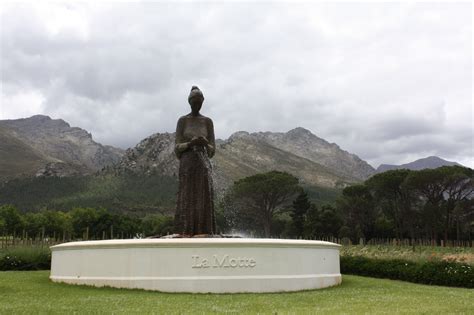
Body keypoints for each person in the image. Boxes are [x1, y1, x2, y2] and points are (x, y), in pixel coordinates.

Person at [174, 86, 216, 236]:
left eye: (199, 102)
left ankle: (204, 230)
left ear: (203, 102)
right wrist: (191, 144)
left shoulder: (208, 122)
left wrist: (205, 143)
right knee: (187, 196)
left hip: (203, 163)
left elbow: (213, 150)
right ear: (189, 102)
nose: (197, 105)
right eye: (194, 102)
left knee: (203, 195)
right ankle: (185, 231)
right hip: (187, 163)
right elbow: (177, 148)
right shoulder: (183, 121)